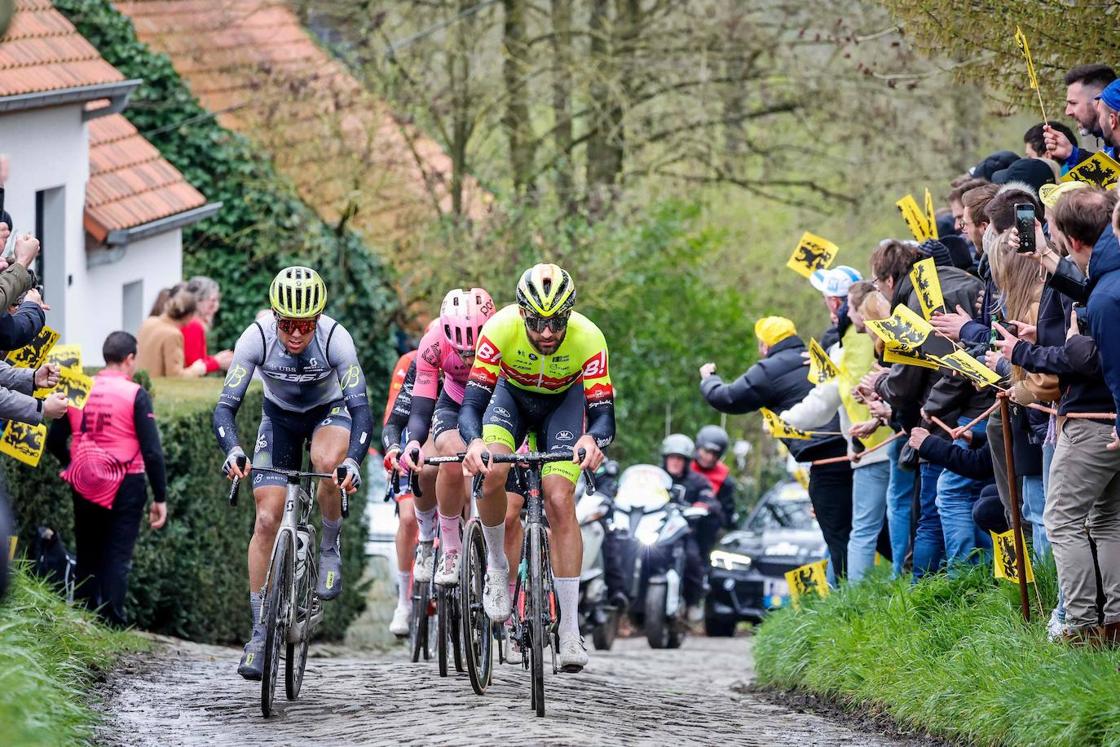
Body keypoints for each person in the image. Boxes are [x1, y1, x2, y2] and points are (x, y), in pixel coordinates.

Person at [213, 266, 371, 679]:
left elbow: (361, 410)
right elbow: (224, 408)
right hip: (278, 419)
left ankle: (330, 545)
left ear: (317, 319)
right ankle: (259, 632)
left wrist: (353, 460)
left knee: (326, 461)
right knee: (266, 518)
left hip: (329, 412)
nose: (296, 334)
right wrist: (233, 450)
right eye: (287, 324)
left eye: (305, 325)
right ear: (275, 317)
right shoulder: (256, 337)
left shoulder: (336, 339)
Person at [459, 263, 613, 672]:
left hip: (563, 404)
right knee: (492, 471)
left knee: (559, 499)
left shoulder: (589, 337)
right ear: (522, 313)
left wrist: (593, 440)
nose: (547, 333)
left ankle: (569, 629)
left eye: (557, 322)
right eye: (537, 322)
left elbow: (603, 415)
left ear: (569, 316)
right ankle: (497, 566)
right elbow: (472, 404)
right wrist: (474, 443)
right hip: (509, 399)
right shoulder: (499, 328)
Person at [699, 316, 852, 578]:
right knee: (866, 529)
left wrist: (708, 379)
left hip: (826, 462)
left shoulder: (769, 370)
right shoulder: (814, 357)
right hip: (855, 449)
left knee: (838, 537)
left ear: (764, 345)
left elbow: (726, 398)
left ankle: (850, 595)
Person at [45, 331, 167, 627]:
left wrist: (72, 464)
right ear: (129, 359)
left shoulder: (81, 388)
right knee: (117, 554)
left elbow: (55, 440)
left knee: (87, 549)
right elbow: (152, 451)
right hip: (126, 481)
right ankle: (112, 621)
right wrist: (160, 497)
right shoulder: (135, 394)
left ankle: (83, 616)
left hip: (85, 479)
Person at [782, 272, 895, 582]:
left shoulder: (845, 345)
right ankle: (913, 580)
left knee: (863, 529)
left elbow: (824, 400)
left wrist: (786, 420)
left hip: (869, 447)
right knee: (907, 518)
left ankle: (855, 598)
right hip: (901, 439)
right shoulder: (891, 333)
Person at [401, 288, 496, 588]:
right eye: (462, 352)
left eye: (475, 352)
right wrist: (414, 441)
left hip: (495, 400)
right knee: (452, 459)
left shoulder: (503, 336)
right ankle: (451, 548)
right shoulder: (432, 343)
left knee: (503, 464)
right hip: (454, 402)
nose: (468, 360)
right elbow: (421, 408)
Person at [381, 346, 420, 637]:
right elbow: (394, 411)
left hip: (449, 437)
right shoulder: (411, 361)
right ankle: (403, 602)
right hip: (411, 439)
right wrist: (392, 448)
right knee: (408, 518)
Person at [660, 433, 717, 622]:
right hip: (655, 531)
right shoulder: (655, 477)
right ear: (665, 458)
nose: (675, 462)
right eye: (672, 457)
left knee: (692, 559)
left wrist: (703, 505)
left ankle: (693, 601)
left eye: (680, 458)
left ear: (686, 461)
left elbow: (710, 500)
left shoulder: (697, 481)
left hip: (682, 534)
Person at [1044, 64, 1118, 168]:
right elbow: (1110, 173)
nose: (1068, 112)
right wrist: (1071, 154)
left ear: (1099, 101)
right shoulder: (1111, 143)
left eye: (1073, 103)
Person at [136, 284, 207, 378]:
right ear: (189, 316)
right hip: (156, 386)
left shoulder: (148, 322)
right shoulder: (173, 334)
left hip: (139, 383)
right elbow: (175, 376)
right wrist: (196, 370)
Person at [182, 276, 233, 373]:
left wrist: (216, 359)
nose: (216, 306)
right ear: (198, 300)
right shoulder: (194, 325)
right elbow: (194, 367)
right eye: (212, 300)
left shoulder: (190, 322)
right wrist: (217, 362)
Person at [691, 424, 739, 528]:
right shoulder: (684, 468)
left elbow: (727, 518)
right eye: (707, 451)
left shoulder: (725, 481)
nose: (709, 458)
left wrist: (712, 509)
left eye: (715, 454)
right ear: (698, 448)